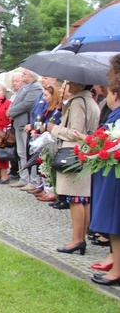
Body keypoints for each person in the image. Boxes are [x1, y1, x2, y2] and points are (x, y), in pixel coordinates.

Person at [48, 80, 100, 256]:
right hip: (86, 152)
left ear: (81, 84)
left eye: (72, 82)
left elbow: (75, 132)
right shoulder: (91, 101)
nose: (68, 85)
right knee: (83, 197)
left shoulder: (78, 102)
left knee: (75, 197)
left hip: (73, 153)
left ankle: (77, 239)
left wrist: (55, 129)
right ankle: (80, 237)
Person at [85, 56, 120, 284]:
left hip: (115, 171)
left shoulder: (116, 106)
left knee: (115, 222)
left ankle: (117, 271)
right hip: (111, 167)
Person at [5, 69, 42, 189]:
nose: (22, 76)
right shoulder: (24, 87)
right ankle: (24, 177)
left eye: (24, 74)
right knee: (21, 153)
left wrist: (11, 111)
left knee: (29, 153)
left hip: (26, 123)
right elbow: (15, 101)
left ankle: (33, 180)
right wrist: (10, 110)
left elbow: (28, 104)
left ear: (32, 76)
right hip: (18, 123)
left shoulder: (35, 88)